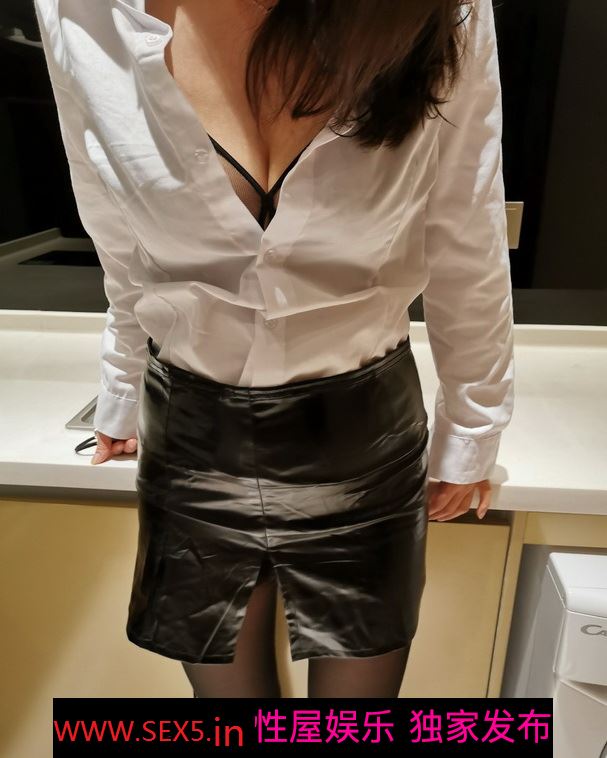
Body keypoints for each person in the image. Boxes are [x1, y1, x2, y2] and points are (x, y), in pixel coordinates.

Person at [34, 0, 515, 698]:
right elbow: (114, 229)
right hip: (193, 436)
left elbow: (465, 222)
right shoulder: (78, 12)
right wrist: (121, 384)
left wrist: (473, 422)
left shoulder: (443, 9)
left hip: (363, 434)